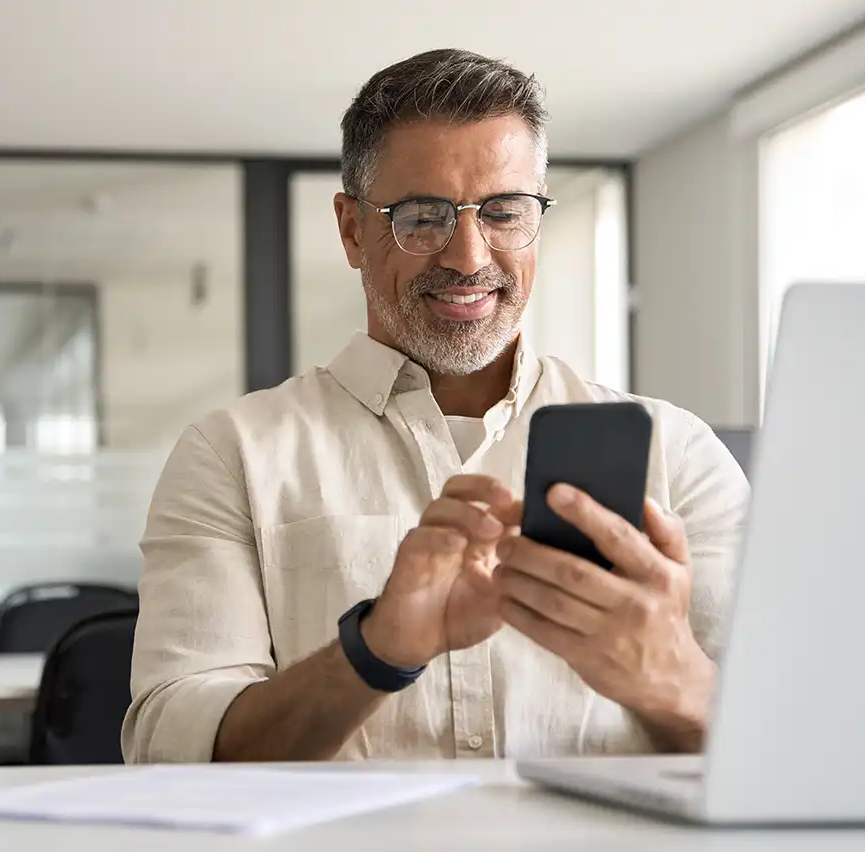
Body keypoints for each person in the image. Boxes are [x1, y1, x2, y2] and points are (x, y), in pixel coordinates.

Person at [121, 48, 748, 763]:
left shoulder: (679, 453)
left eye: (506, 212)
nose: (469, 255)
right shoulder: (232, 453)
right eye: (423, 216)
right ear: (353, 229)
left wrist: (666, 674)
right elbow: (171, 748)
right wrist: (377, 650)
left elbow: (793, 750)